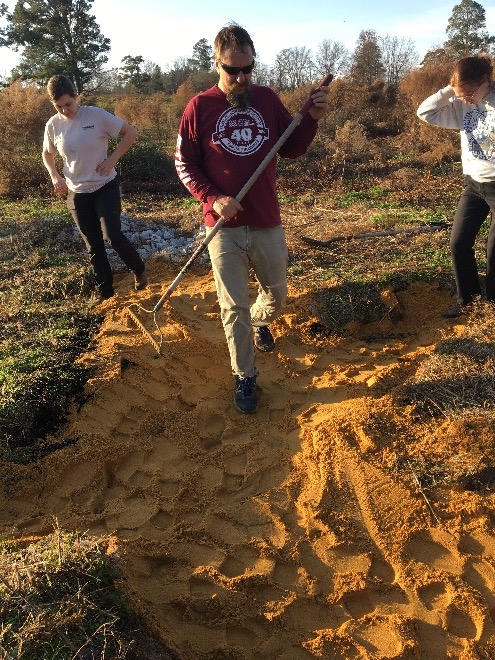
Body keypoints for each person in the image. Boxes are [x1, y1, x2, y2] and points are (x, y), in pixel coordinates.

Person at [174, 23, 329, 413]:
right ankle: (245, 375)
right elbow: (184, 164)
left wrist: (310, 118)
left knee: (276, 294)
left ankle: (262, 322)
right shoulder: (199, 107)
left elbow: (291, 147)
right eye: (232, 70)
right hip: (222, 226)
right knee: (232, 305)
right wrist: (214, 198)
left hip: (265, 219)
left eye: (247, 69)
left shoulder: (266, 99)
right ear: (217, 65)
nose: (241, 78)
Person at [42, 74, 147, 303]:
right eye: (59, 106)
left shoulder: (95, 115)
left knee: (112, 235)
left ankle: (138, 269)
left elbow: (131, 133)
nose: (65, 110)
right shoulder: (53, 125)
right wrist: (54, 176)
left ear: (76, 96)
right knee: (94, 246)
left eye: (68, 104)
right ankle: (106, 293)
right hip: (77, 192)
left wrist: (112, 160)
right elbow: (47, 153)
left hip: (104, 186)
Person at [417, 55, 495, 318]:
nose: (467, 99)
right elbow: (425, 112)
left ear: (486, 81)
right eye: (462, 95)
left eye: (470, 93)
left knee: (494, 249)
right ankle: (470, 305)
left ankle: (492, 308)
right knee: (459, 243)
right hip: (473, 184)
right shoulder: (462, 104)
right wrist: (454, 88)